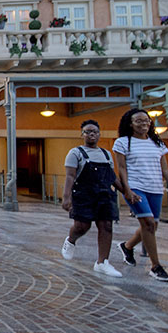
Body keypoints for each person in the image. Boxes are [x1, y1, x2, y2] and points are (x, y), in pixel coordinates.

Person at [114, 108, 168, 283]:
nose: (143, 124)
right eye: (138, 121)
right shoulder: (123, 142)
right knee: (148, 223)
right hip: (135, 188)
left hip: (155, 189)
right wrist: (127, 189)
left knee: (152, 226)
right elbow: (121, 168)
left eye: (146, 120)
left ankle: (127, 247)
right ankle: (156, 267)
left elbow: (166, 170)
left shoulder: (157, 143)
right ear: (130, 123)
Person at [60, 119, 125, 278]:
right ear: (82, 134)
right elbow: (70, 176)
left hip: (104, 195)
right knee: (83, 226)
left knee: (106, 226)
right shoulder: (75, 153)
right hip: (83, 195)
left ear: (99, 134)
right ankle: (71, 240)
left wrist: (126, 192)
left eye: (94, 132)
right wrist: (66, 197)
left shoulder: (106, 154)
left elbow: (112, 176)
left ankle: (102, 262)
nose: (91, 134)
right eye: (88, 132)